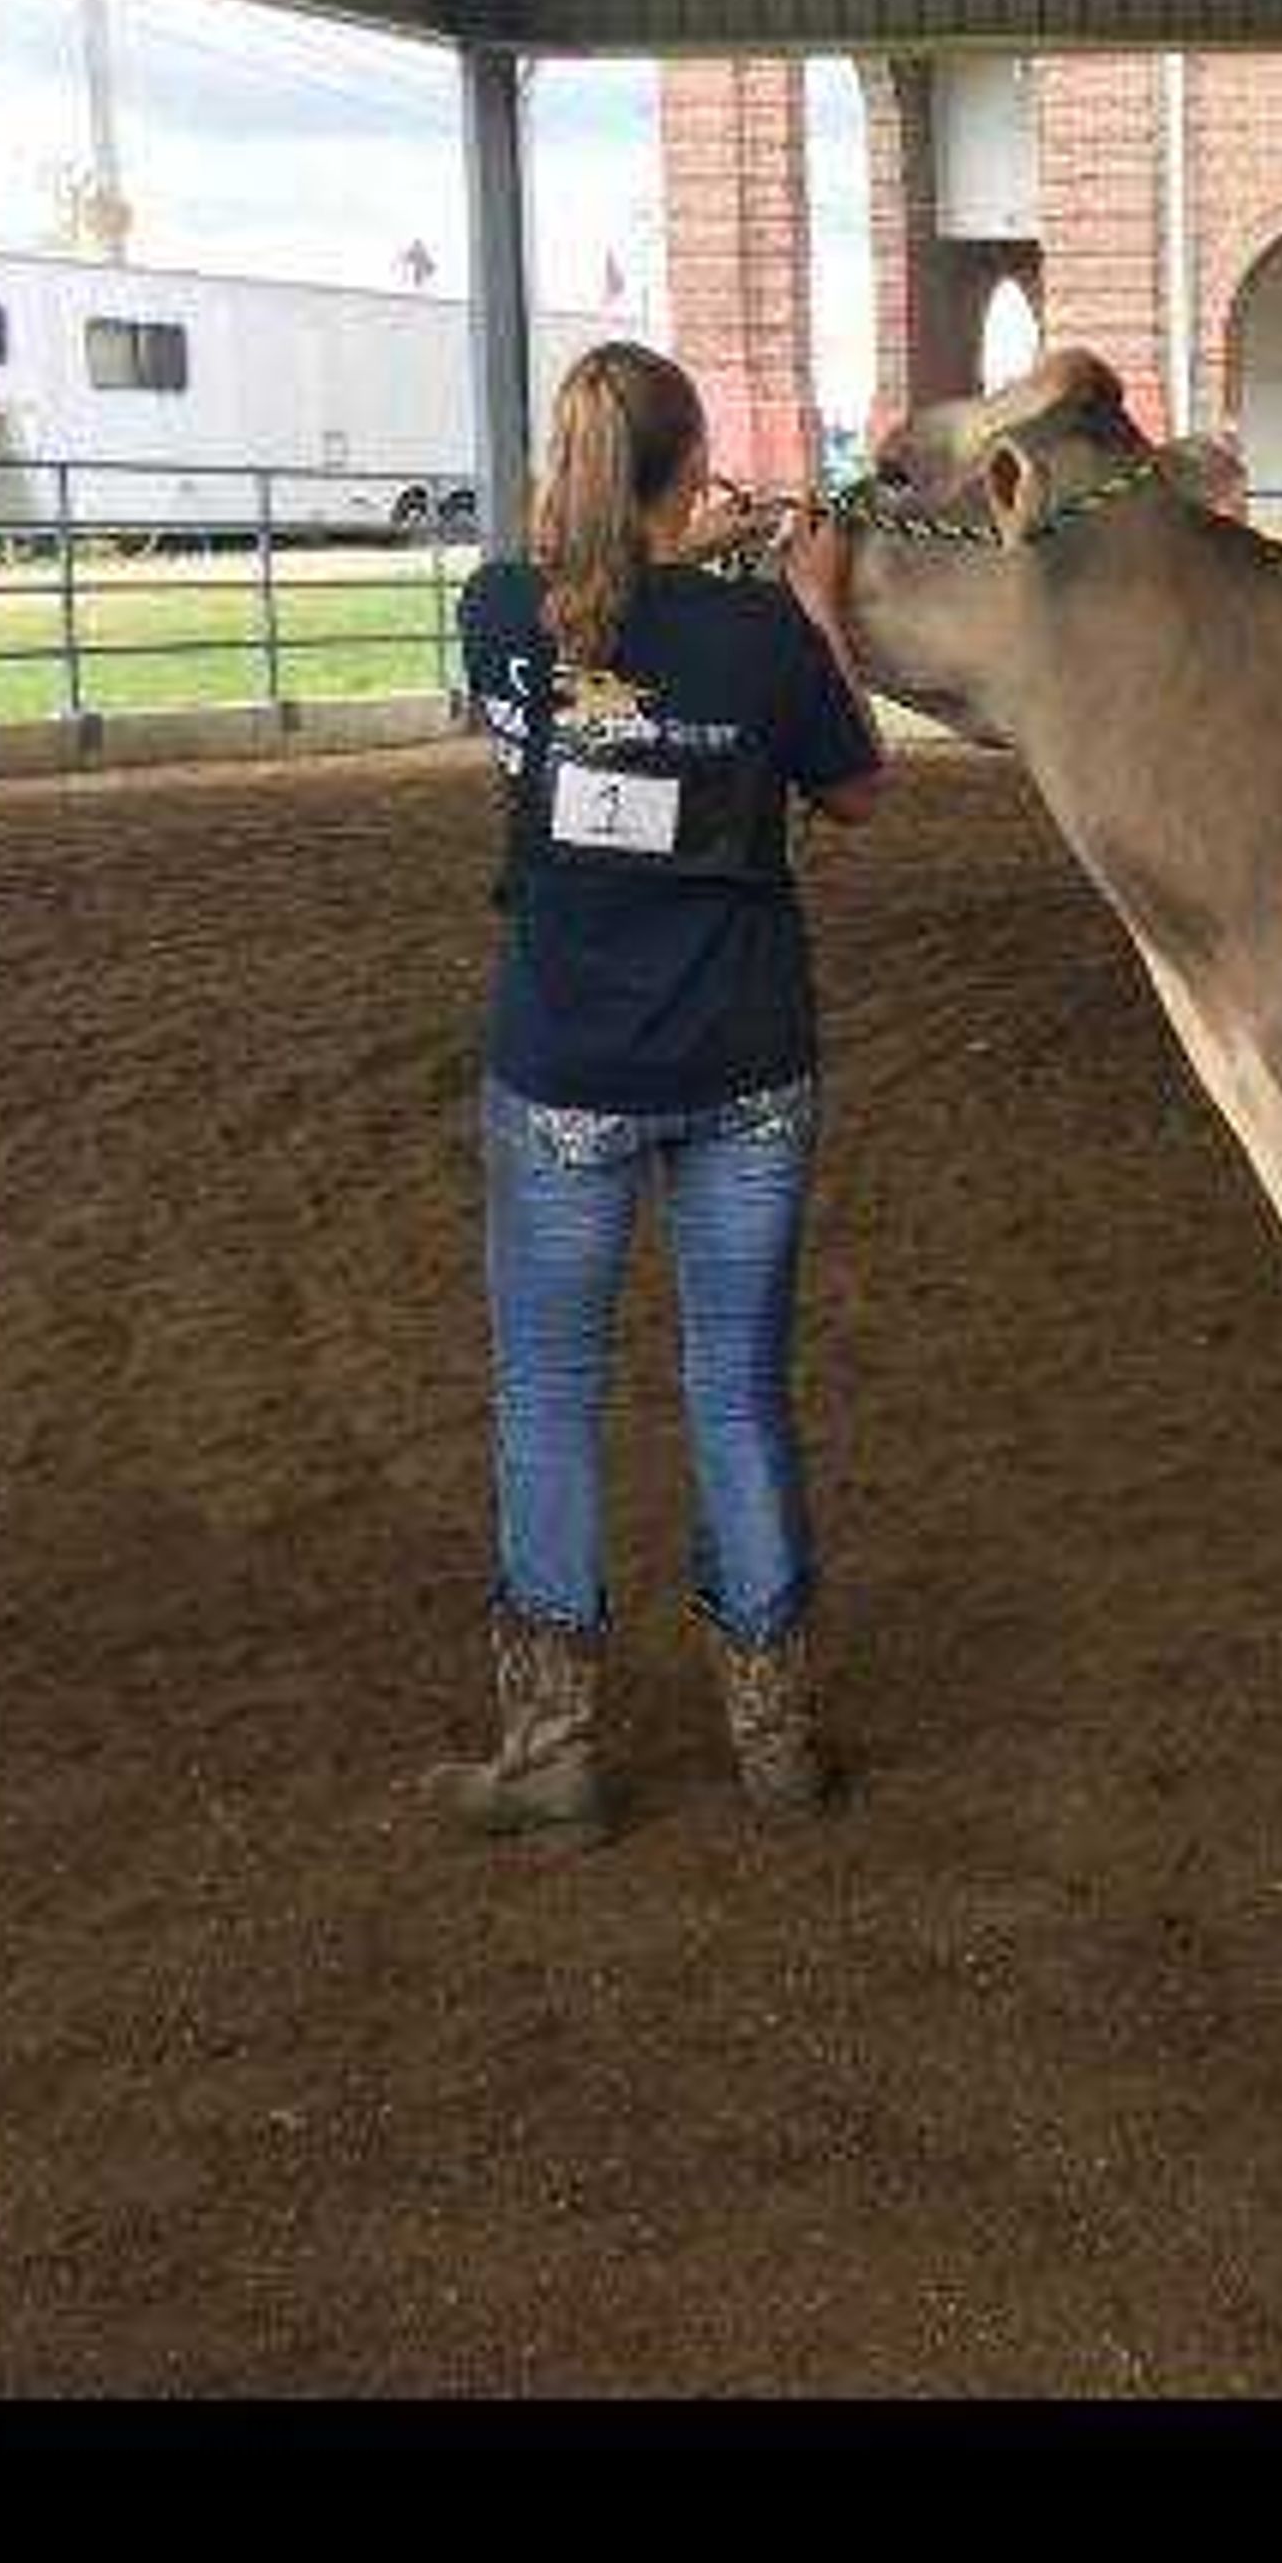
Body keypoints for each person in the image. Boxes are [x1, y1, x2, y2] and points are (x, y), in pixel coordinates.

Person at [441, 343, 884, 1838]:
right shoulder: (761, 633)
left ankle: (552, 1748)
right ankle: (775, 1743)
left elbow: (564, 677)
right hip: (747, 1057)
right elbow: (857, 787)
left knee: (549, 1400)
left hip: (564, 1059)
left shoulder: (497, 609)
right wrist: (812, 601)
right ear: (692, 476)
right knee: (739, 1393)